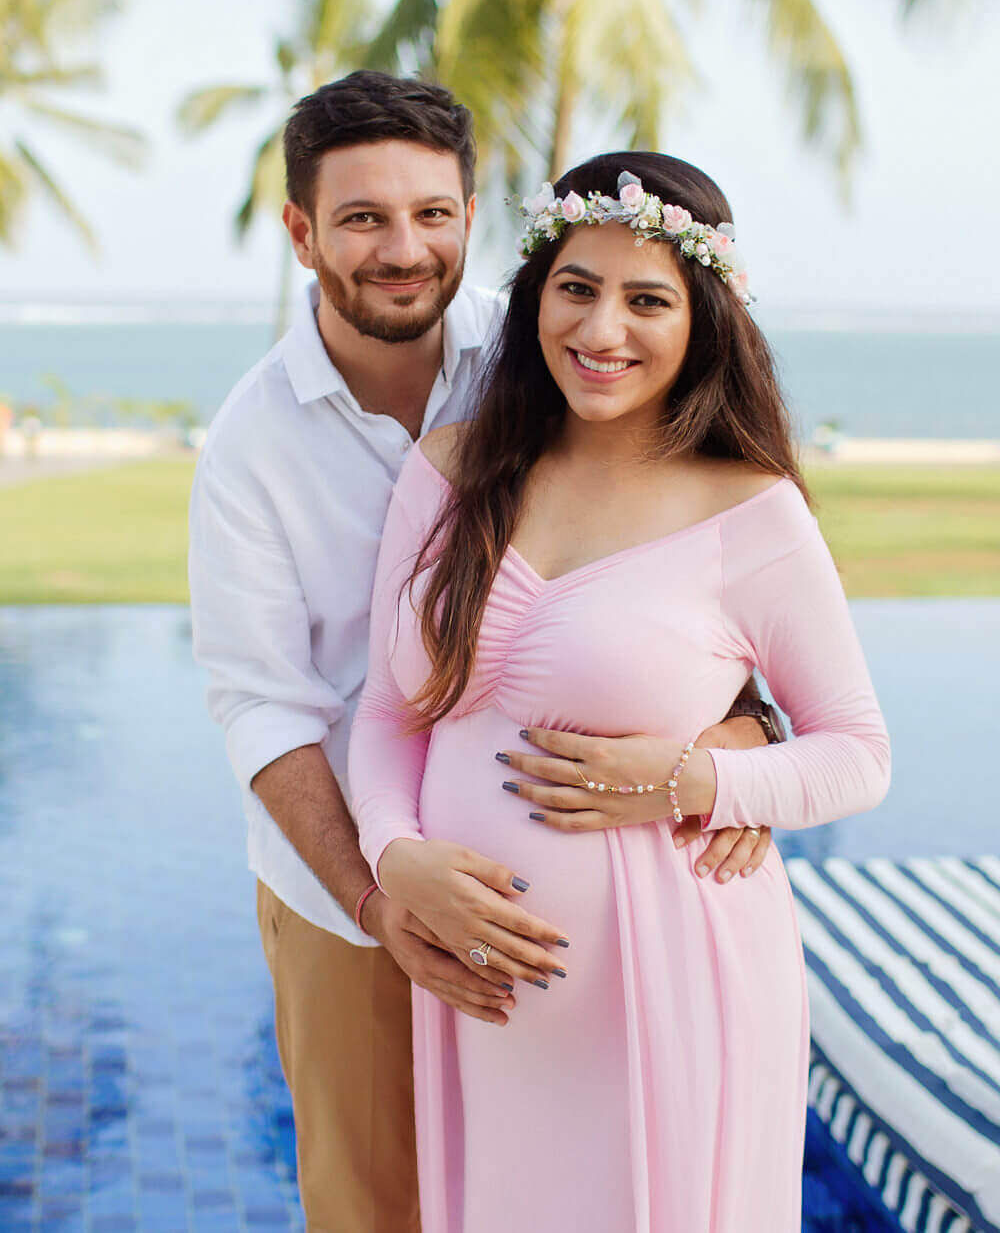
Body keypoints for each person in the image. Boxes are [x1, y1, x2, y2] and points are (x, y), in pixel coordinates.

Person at [188, 76, 777, 1233]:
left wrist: (742, 726)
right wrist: (377, 892)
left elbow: (677, 553)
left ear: (469, 213)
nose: (403, 249)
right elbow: (263, 708)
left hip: (583, 911)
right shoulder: (249, 447)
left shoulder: (545, 358)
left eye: (433, 213)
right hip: (347, 901)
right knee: (374, 1206)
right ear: (303, 233)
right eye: (362, 218)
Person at [348, 151, 892, 1233]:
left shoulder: (752, 511)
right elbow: (385, 714)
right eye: (576, 287)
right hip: (485, 998)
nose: (602, 332)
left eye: (648, 300)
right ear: (536, 294)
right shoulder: (451, 472)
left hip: (674, 986)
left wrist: (689, 780)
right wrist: (395, 855)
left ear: (702, 322)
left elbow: (857, 753)